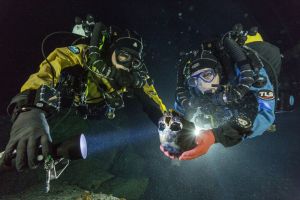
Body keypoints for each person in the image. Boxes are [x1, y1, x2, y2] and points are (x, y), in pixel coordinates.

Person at [0, 21, 167, 171]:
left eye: (134, 61)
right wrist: (29, 108)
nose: (127, 65)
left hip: (97, 108)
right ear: (111, 51)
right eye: (124, 55)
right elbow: (53, 64)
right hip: (70, 96)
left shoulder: (133, 77)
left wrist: (173, 125)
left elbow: (153, 98)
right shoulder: (86, 54)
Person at [160, 26, 282, 160]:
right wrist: (171, 136)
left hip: (258, 86)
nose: (202, 84)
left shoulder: (246, 72)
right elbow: (180, 111)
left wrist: (216, 135)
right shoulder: (193, 87)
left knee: (286, 102)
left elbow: (265, 113)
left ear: (219, 71)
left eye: (207, 75)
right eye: (195, 79)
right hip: (229, 107)